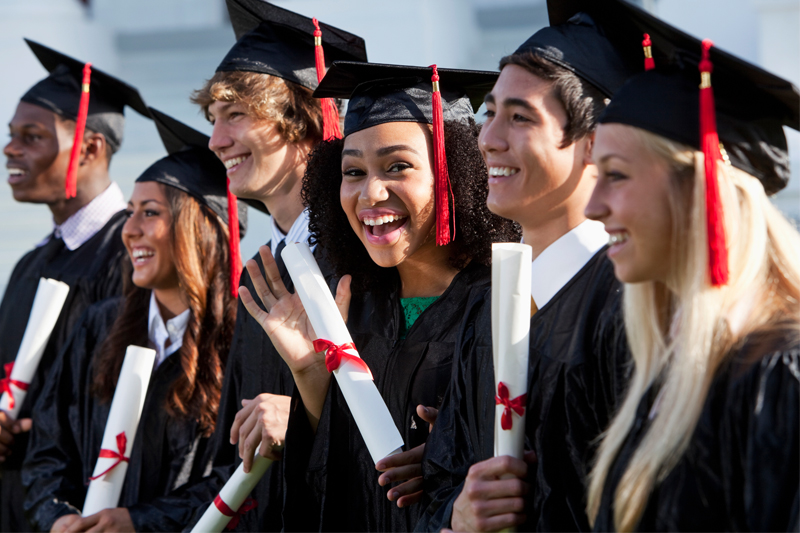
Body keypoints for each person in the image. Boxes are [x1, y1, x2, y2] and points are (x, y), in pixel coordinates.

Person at [239, 61, 520, 532]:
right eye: (353, 171)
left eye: (397, 166)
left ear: (454, 173)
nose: (370, 192)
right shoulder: (353, 312)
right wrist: (311, 379)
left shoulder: (504, 305)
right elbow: (327, 493)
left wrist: (448, 455)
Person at [417, 2, 647, 530]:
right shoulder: (486, 307)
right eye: (490, 112)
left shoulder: (632, 302)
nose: (488, 138)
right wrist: (458, 517)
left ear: (596, 144)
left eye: (519, 117)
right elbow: (440, 480)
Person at [584, 16, 800, 533]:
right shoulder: (675, 362)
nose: (593, 206)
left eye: (615, 175)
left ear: (700, 188)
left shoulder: (779, 372)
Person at [178, 1, 368, 529]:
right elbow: (229, 460)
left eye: (235, 115)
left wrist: (306, 419)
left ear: (304, 116)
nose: (216, 141)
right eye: (214, 120)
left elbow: (405, 423)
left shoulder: (363, 254)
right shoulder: (260, 272)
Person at [22, 109, 248, 533]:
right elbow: (48, 451)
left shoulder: (242, 342)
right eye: (130, 212)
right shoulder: (99, 327)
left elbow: (240, 478)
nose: (129, 230)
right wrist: (60, 519)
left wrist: (138, 523)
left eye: (150, 213)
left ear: (199, 228)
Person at [0, 40, 150, 532]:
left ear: (89, 147)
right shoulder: (30, 263)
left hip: (82, 507)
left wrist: (33, 432)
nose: (10, 149)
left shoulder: (133, 256)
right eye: (11, 134)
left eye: (31, 136)